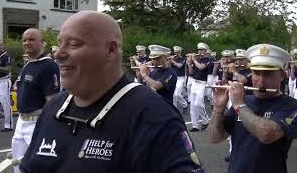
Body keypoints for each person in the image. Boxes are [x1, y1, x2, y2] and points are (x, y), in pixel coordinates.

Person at [20, 11, 204, 173]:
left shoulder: (154, 116)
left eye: (73, 44)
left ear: (110, 50)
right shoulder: (54, 107)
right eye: (59, 44)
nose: (58, 54)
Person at [209, 44, 297, 173]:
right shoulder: (244, 100)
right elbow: (215, 137)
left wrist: (239, 105)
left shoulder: (291, 106)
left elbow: (267, 134)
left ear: (282, 75)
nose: (261, 81)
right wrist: (218, 108)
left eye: (267, 74)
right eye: (256, 73)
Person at [11, 28, 60, 173]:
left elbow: (52, 101)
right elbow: (18, 86)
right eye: (24, 40)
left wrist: (47, 127)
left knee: (38, 166)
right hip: (21, 121)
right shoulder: (29, 63)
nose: (27, 42)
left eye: (31, 39)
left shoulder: (48, 65)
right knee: (17, 163)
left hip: (36, 123)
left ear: (42, 42)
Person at [188, 42, 214, 132]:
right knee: (192, 106)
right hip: (194, 82)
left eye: (202, 50)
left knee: (198, 104)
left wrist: (194, 60)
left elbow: (201, 68)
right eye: (199, 49)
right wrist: (189, 63)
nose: (200, 51)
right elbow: (191, 73)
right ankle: (195, 125)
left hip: (202, 83)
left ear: (206, 51)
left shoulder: (209, 59)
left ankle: (205, 120)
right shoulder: (197, 59)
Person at [170, 46, 187, 113]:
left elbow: (179, 66)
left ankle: (184, 104)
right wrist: (168, 60)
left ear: (180, 52)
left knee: (176, 94)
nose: (176, 53)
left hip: (181, 78)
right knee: (173, 94)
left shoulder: (183, 59)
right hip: (174, 77)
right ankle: (174, 109)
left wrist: (172, 60)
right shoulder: (173, 59)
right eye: (175, 52)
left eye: (177, 52)